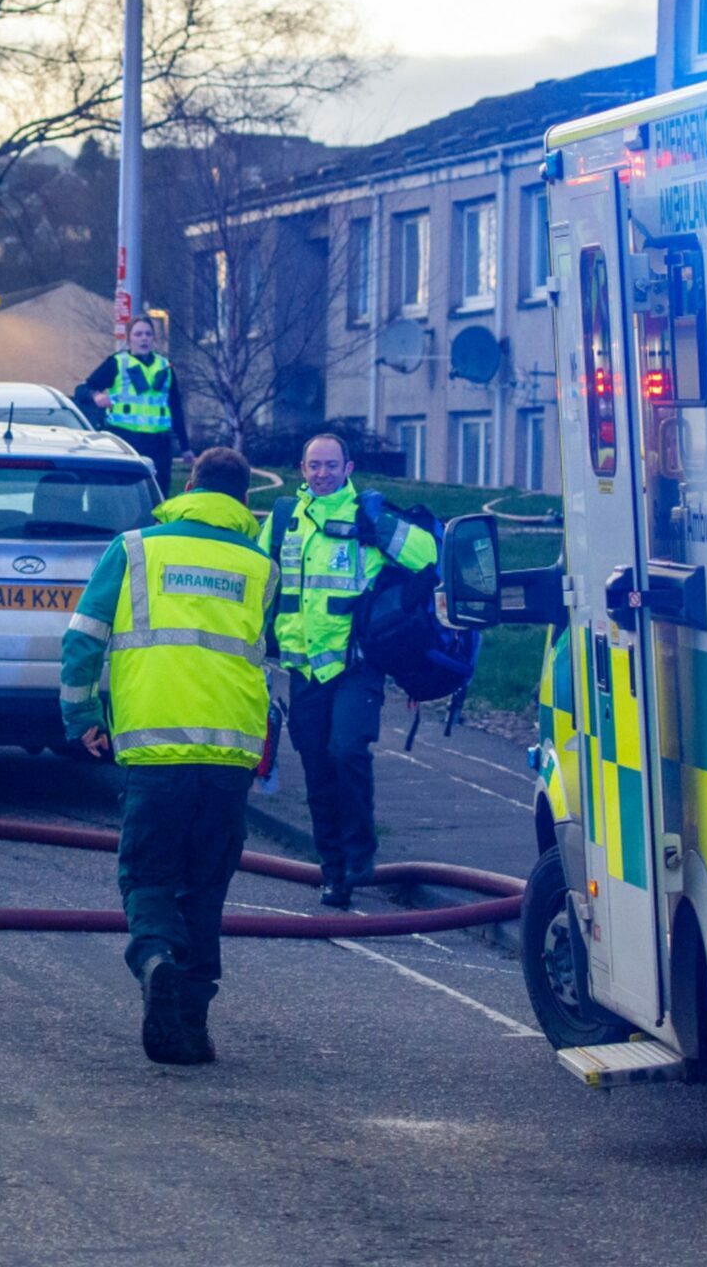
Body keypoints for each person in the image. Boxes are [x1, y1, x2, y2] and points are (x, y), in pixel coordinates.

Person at [61, 446, 274, 1066]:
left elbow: (84, 640)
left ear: (187, 487)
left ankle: (155, 959)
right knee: (205, 887)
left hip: (154, 747)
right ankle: (193, 1024)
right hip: (231, 750)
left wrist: (81, 716)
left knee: (149, 876)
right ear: (242, 501)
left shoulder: (135, 548)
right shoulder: (260, 564)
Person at [267, 432, 436, 909]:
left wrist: (379, 528)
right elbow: (258, 575)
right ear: (302, 469)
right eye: (313, 465)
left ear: (348, 467)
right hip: (304, 670)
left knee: (347, 752)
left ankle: (360, 856)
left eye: (330, 465)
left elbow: (428, 556)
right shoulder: (285, 520)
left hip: (354, 665)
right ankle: (334, 872)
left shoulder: (367, 514)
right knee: (318, 769)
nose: (321, 474)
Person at [75, 315, 186, 491]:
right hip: (126, 439)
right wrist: (95, 396)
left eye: (148, 334)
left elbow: (176, 407)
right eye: (138, 334)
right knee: (125, 491)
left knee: (159, 492)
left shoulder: (165, 366)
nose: (144, 338)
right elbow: (81, 391)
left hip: (159, 444)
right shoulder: (117, 363)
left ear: (154, 338)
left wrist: (185, 447)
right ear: (129, 339)